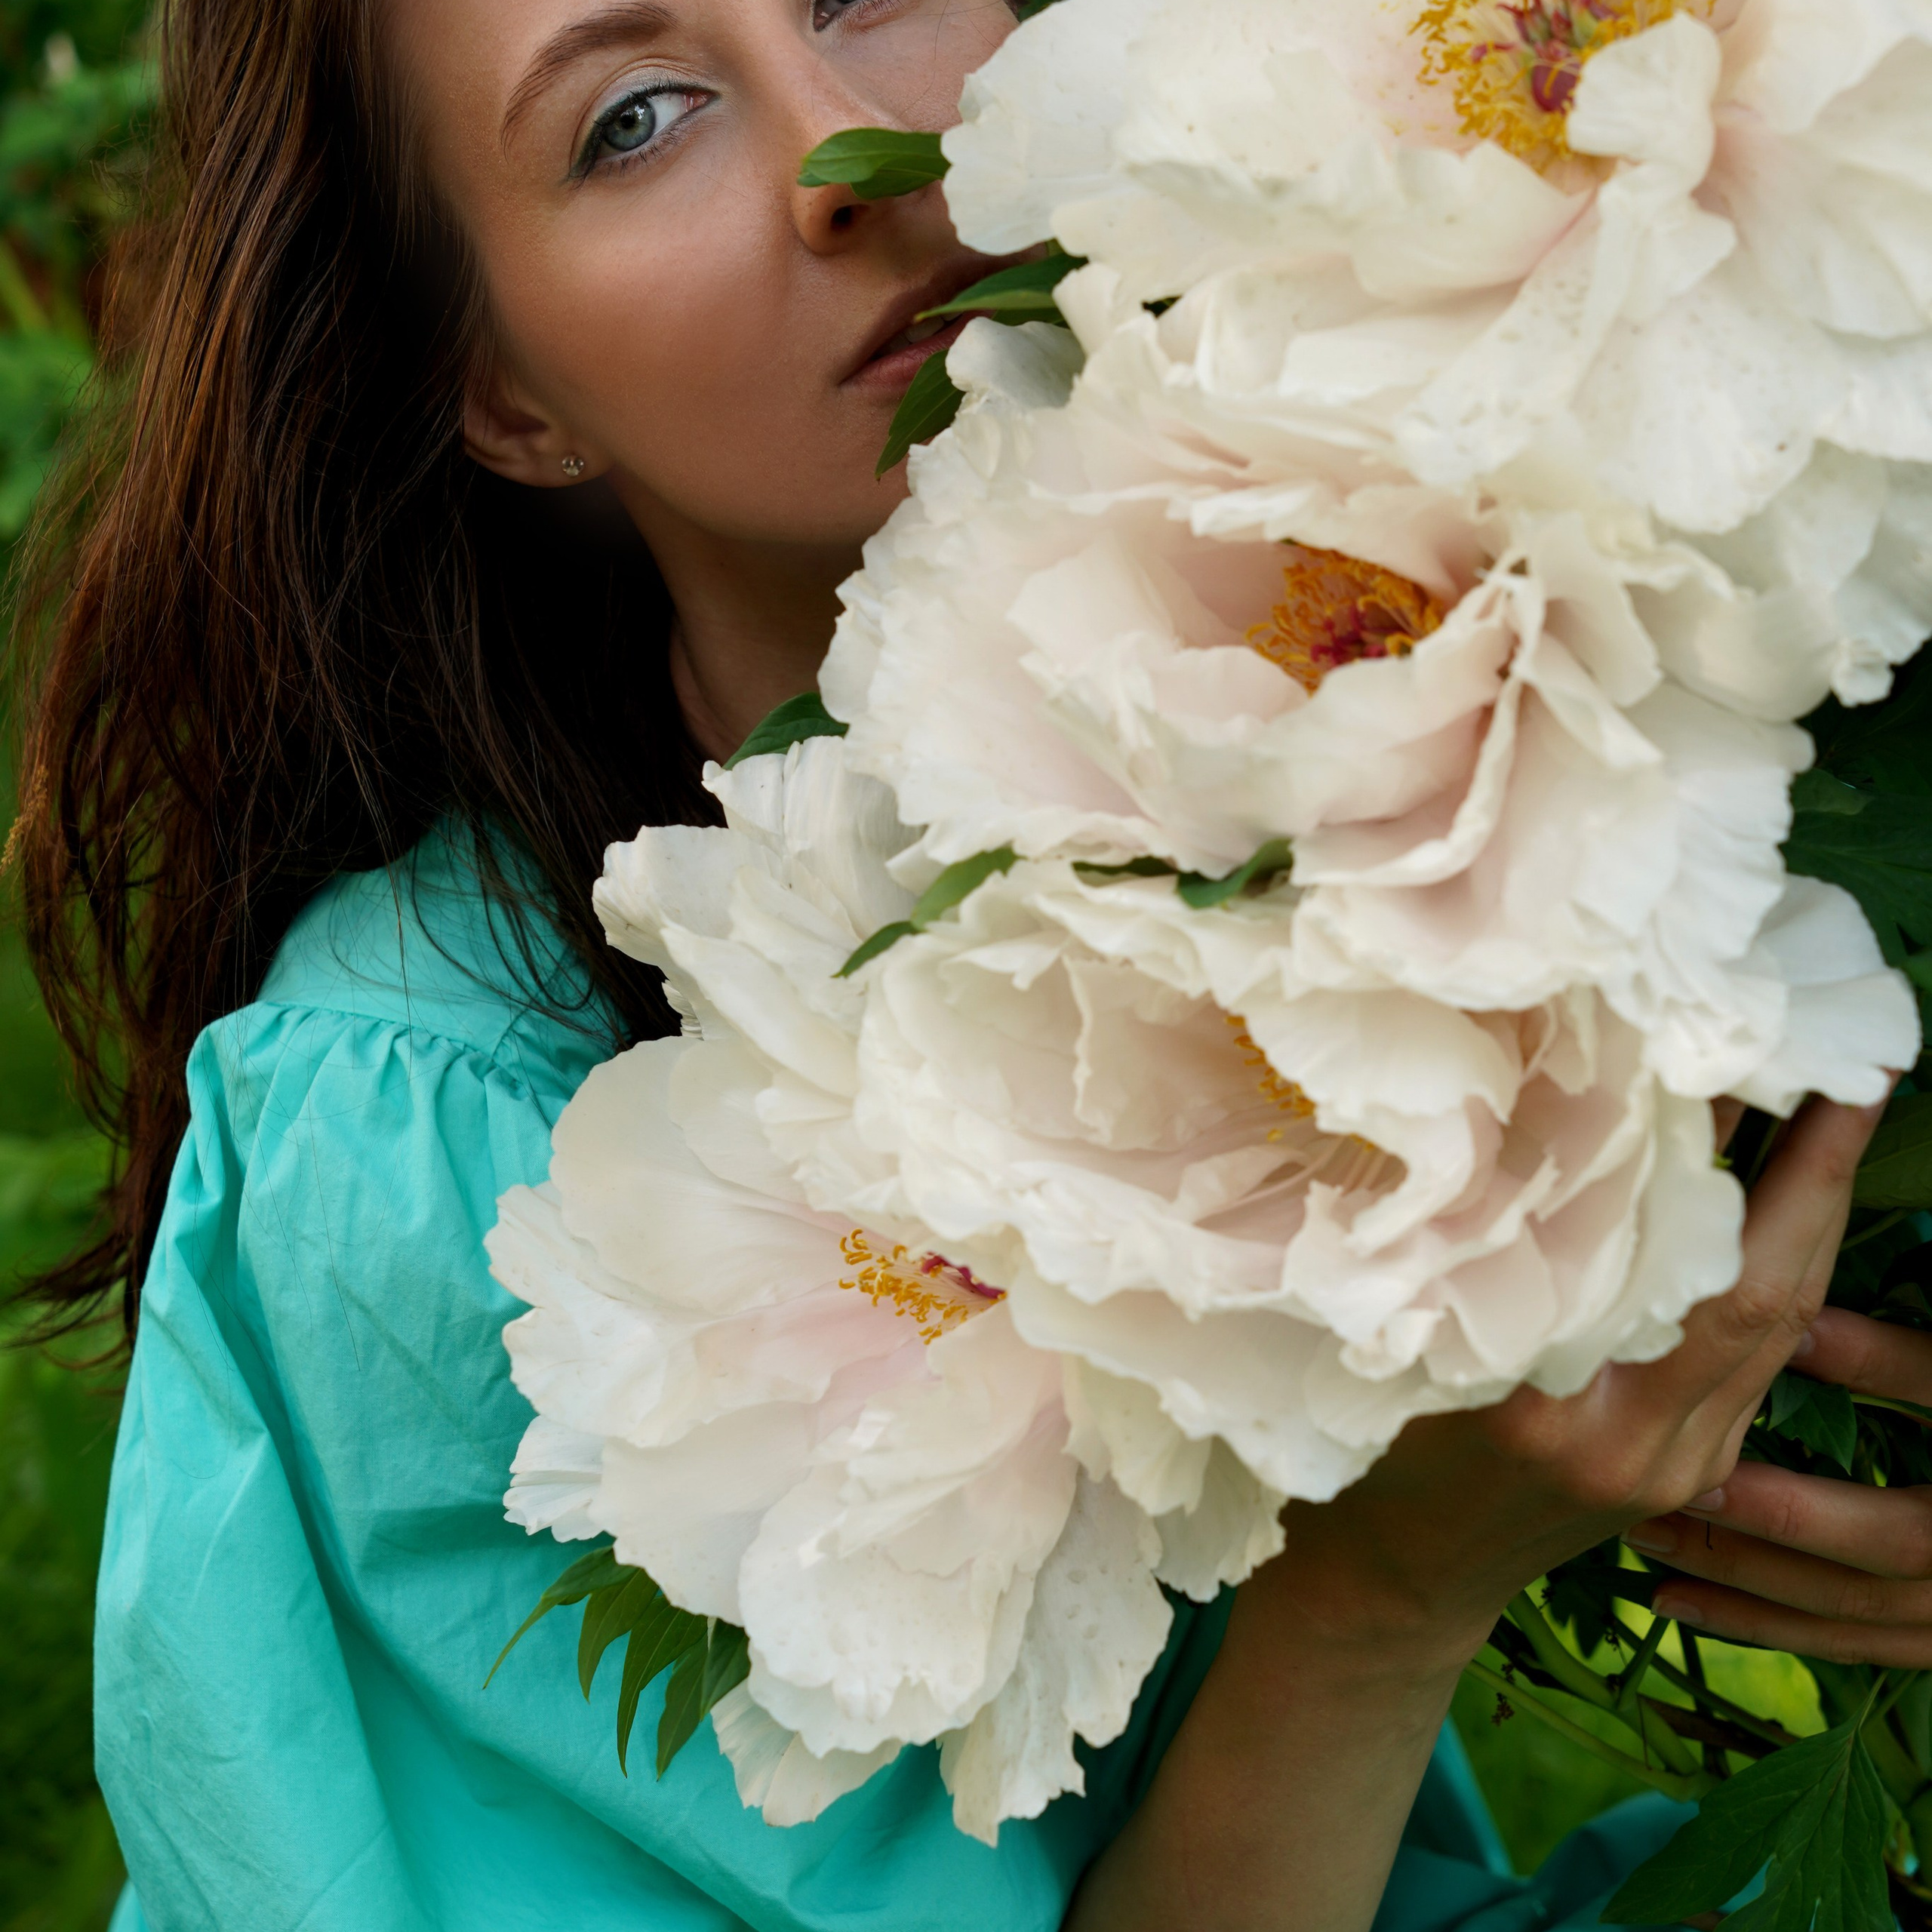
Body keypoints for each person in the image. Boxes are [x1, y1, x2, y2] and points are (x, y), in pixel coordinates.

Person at [10, 2, 1932, 1928]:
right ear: (504, 388)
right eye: (637, 120)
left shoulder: (1488, 587)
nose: (854, 151)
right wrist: (1380, 1596)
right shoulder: (446, 1141)